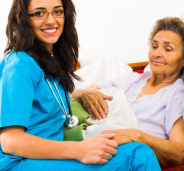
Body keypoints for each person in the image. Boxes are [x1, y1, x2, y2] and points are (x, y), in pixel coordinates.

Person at [0, 0, 161, 171]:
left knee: (137, 152)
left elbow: (43, 102)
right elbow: (11, 141)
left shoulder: (48, 62)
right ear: (24, 20)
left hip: (43, 159)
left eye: (57, 12)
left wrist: (81, 94)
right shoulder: (20, 64)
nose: (51, 20)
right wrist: (80, 150)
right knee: (137, 156)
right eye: (39, 13)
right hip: (15, 163)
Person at [71, 17, 184, 168]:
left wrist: (135, 136)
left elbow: (180, 152)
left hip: (127, 157)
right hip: (92, 144)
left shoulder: (176, 93)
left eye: (168, 49)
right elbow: (75, 96)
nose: (157, 53)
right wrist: (82, 94)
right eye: (154, 46)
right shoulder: (132, 79)